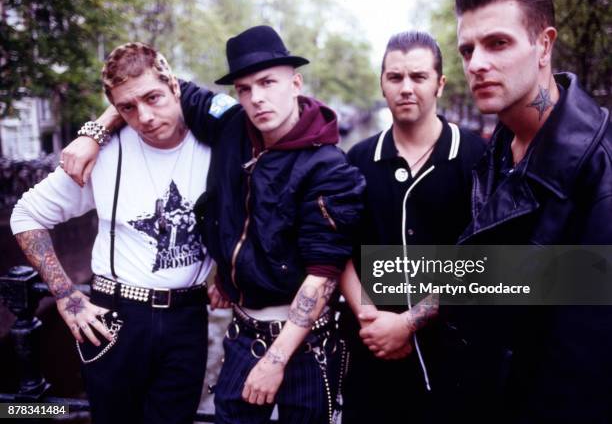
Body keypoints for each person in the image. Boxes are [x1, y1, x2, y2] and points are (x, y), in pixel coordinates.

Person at [63, 25, 365, 424]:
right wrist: (94, 132)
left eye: (267, 82)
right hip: (243, 330)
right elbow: (144, 87)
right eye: (243, 88)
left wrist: (275, 362)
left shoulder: (329, 167)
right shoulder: (230, 124)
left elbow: (322, 276)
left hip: (305, 342)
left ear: (295, 83)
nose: (256, 98)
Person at [11, 42, 219, 424]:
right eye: (127, 108)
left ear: (175, 86)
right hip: (116, 316)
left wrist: (226, 270)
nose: (145, 117)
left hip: (188, 315)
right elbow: (26, 214)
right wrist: (65, 294)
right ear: (116, 109)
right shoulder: (101, 155)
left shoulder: (216, 142)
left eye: (153, 98)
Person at [455, 0, 612, 421]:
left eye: (498, 43)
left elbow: (588, 363)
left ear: (544, 46)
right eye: (468, 50)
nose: (477, 64)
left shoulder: (599, 171)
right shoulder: (499, 147)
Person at [339, 31, 486, 423]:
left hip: (453, 360)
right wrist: (372, 320)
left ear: (439, 83)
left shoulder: (476, 157)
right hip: (373, 361)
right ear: (382, 84)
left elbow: (487, 260)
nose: (406, 88)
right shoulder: (358, 158)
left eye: (418, 77)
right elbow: (339, 250)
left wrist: (406, 323)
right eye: (395, 77)